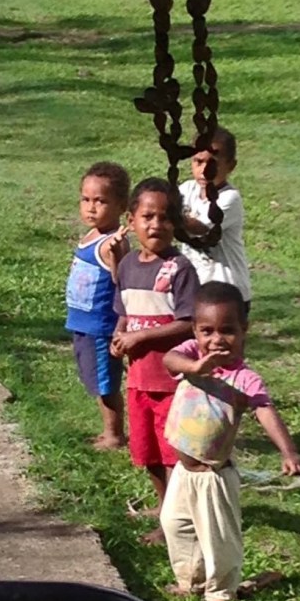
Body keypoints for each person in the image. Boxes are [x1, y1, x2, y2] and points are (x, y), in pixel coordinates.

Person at [161, 281, 300, 601]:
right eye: (207, 331)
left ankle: (220, 596)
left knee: (219, 540)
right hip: (183, 471)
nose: (216, 339)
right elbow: (170, 360)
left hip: (213, 476)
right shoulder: (191, 354)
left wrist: (288, 451)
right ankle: (191, 580)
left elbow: (265, 411)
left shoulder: (244, 378)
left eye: (227, 330)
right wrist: (196, 368)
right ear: (195, 331)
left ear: (244, 330)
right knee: (175, 524)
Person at [111, 177, 200, 544]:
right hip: (138, 379)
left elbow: (189, 322)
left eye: (165, 217)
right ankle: (165, 509)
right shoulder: (128, 266)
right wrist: (119, 336)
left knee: (171, 454)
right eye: (148, 216)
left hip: (170, 382)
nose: (156, 225)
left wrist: (140, 338)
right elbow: (124, 312)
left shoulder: (180, 269)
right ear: (130, 220)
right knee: (147, 452)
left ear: (175, 223)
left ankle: (177, 521)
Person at [65, 162, 131, 451]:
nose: (91, 207)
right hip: (83, 323)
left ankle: (114, 434)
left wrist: (116, 254)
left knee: (106, 384)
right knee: (93, 377)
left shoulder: (113, 242)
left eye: (101, 201)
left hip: (101, 325)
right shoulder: (91, 236)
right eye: (86, 199)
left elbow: (121, 279)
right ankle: (108, 431)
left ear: (121, 206)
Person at [179, 127, 252, 315]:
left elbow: (200, 228)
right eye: (198, 161)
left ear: (230, 166)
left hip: (229, 293)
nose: (204, 170)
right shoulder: (187, 189)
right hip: (198, 290)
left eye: (213, 163)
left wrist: (169, 213)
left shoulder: (229, 198)